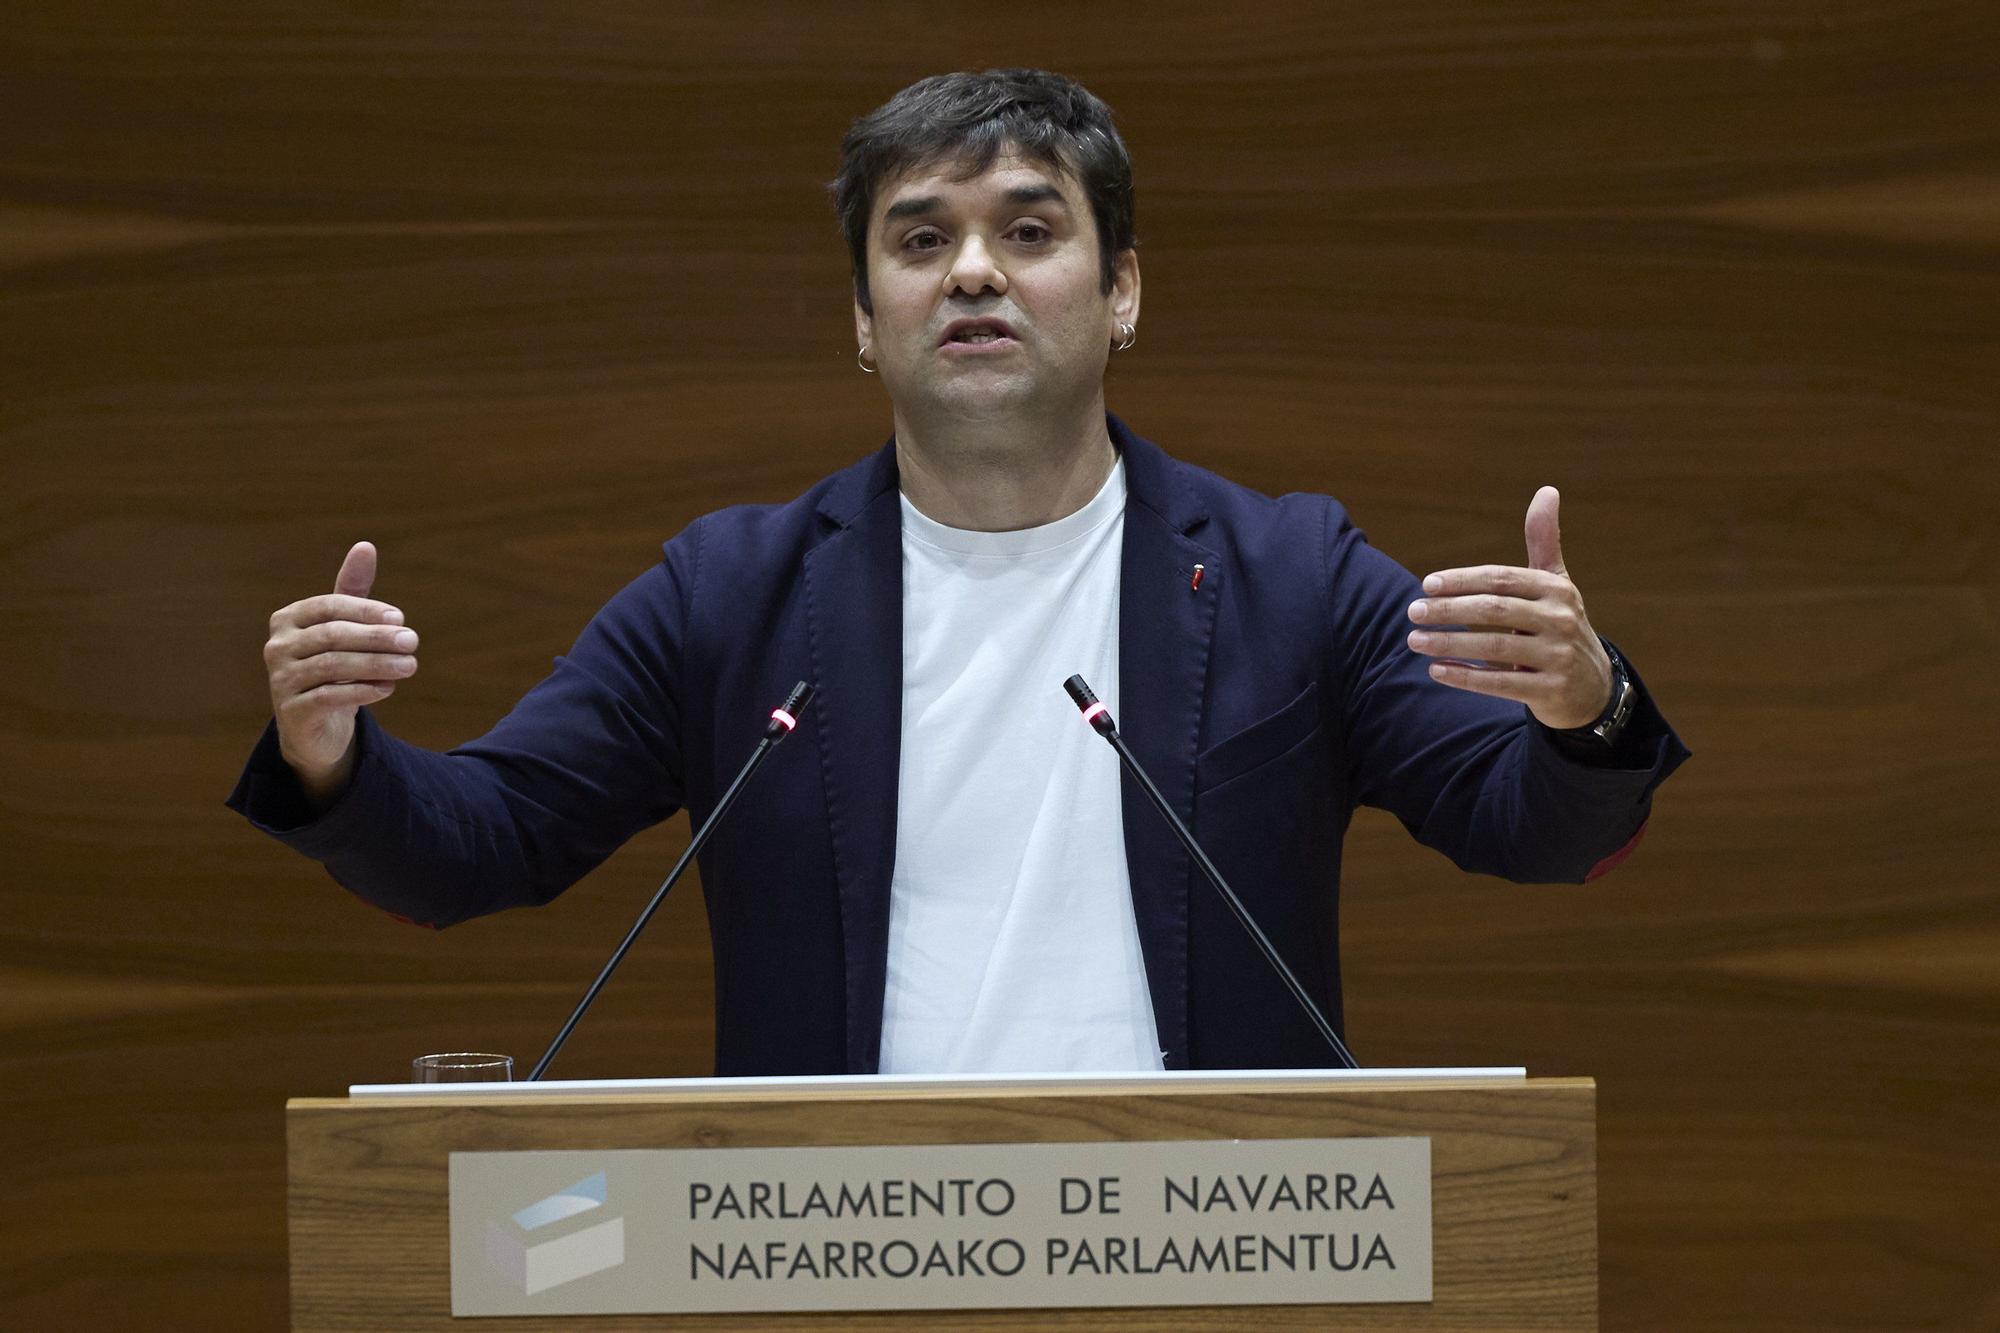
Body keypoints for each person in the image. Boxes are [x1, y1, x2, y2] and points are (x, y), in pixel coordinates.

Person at [228, 69, 1689, 1076]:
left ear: (1121, 291)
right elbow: (484, 840)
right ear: (864, 319)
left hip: (1217, 1249)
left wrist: (1586, 699)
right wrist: (331, 755)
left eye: (1030, 230)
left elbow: (1534, 827)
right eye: (921, 241)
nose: (975, 271)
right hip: (838, 1257)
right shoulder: (728, 594)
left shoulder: (1288, 572)